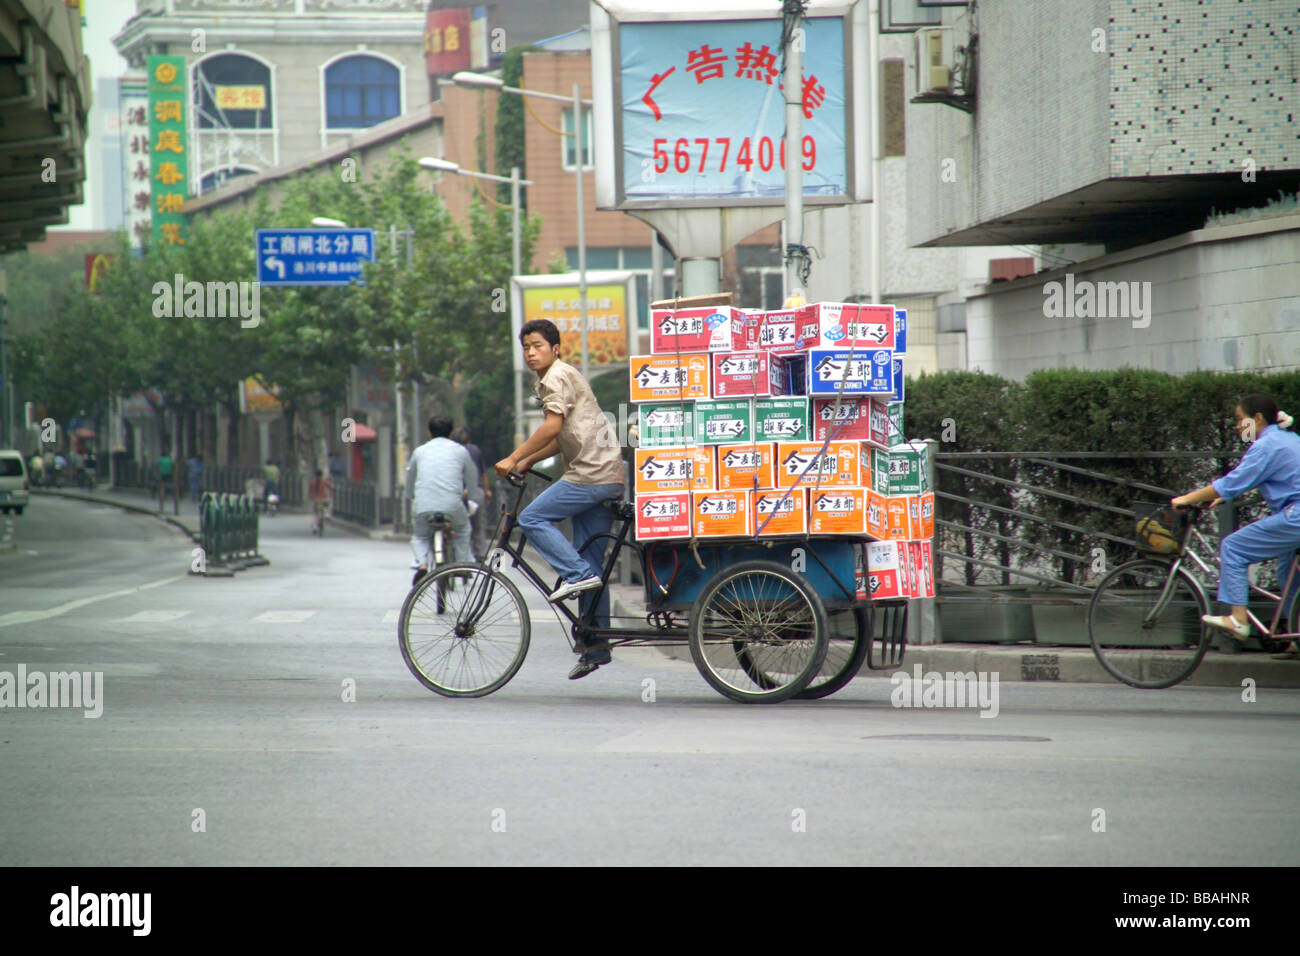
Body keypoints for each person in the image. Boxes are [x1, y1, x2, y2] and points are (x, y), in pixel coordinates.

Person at [495, 318, 625, 680]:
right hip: (606, 476)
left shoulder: (556, 376)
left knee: (533, 519)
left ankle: (575, 574)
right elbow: (559, 437)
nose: (530, 352)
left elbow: (552, 427)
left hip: (590, 475)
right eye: (525, 347)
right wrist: (524, 460)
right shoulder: (559, 376)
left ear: (555, 349)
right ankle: (595, 645)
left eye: (537, 345)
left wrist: (511, 458)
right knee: (592, 570)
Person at [1172, 395, 1300, 657]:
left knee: (1233, 547)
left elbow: (1232, 481)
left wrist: (1186, 498)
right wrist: (1223, 495)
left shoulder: (1266, 446)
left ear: (1259, 419)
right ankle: (1297, 638)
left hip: (1295, 516)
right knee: (1288, 577)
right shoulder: (1287, 438)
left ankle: (1238, 620)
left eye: (1240, 419)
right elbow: (1251, 478)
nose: (1237, 425)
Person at [406, 417, 476, 587]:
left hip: (423, 504)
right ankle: (461, 564)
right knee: (462, 529)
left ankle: (422, 564)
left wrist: (410, 495)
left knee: (421, 535)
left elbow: (410, 478)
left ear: (429, 433)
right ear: (451, 433)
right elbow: (472, 476)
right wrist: (471, 495)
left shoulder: (419, 451)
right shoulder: (460, 451)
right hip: (452, 504)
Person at [452, 425, 493, 561]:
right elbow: (483, 474)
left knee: (461, 526)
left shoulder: (453, 451)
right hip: (476, 491)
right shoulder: (476, 450)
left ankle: (462, 556)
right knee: (479, 525)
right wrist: (487, 491)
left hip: (457, 493)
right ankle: (480, 553)